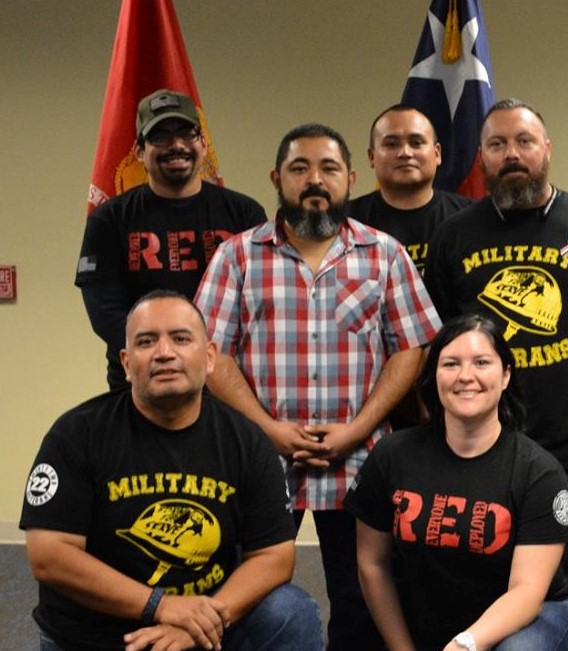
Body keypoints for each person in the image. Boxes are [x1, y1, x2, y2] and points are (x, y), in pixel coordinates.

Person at [196, 123, 442, 650]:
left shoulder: (385, 255)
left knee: (362, 599)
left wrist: (358, 429)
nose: (315, 180)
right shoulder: (236, 257)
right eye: (299, 168)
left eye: (328, 169)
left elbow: (412, 347)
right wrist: (267, 429)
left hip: (359, 459)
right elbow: (210, 355)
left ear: (350, 178)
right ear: (276, 178)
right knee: (248, 595)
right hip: (259, 458)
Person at [425, 98, 568, 648]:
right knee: (485, 585)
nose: (513, 156)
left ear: (547, 150)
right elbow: (432, 349)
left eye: (525, 142)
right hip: (480, 453)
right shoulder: (455, 237)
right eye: (498, 145)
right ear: (480, 156)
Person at [22, 290, 320, 651]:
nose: (164, 352)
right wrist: (159, 606)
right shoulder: (77, 434)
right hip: (95, 634)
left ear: (210, 357)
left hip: (201, 626)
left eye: (180, 338)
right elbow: (50, 556)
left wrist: (201, 620)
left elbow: (274, 556)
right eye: (147, 342)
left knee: (291, 611)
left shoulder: (246, 441)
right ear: (127, 363)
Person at [349, 314, 568, 651]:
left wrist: (465, 644)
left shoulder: (537, 471)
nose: (466, 376)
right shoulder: (392, 455)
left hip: (534, 622)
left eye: (481, 363)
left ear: (505, 375)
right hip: (434, 627)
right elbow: (372, 564)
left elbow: (527, 593)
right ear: (434, 375)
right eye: (450, 364)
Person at [76, 88, 266, 391]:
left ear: (203, 144)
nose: (176, 145)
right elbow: (105, 313)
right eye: (161, 137)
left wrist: (202, 358)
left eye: (187, 134)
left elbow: (259, 303)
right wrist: (169, 355)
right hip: (142, 390)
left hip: (225, 387)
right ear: (139, 151)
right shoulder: (109, 219)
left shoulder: (244, 213)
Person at [349, 104, 473, 275]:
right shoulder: (345, 223)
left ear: (437, 154)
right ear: (372, 157)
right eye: (392, 144)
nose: (405, 153)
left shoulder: (472, 218)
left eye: (416, 143)